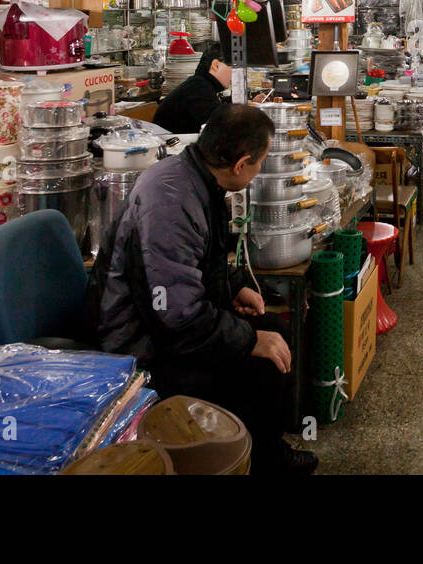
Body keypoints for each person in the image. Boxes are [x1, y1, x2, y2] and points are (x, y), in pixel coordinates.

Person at [91, 103, 318, 476]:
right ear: (242, 164)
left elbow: (192, 266)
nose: (259, 170)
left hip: (168, 322)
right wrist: (247, 340)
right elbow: (178, 319)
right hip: (140, 344)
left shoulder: (192, 175)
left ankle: (263, 447)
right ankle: (261, 461)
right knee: (262, 358)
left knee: (275, 330)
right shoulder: (172, 201)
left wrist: (232, 288)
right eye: (260, 162)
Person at [153, 42, 232, 134]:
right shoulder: (199, 88)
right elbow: (219, 126)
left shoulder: (200, 83)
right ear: (216, 65)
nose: (237, 74)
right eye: (233, 67)